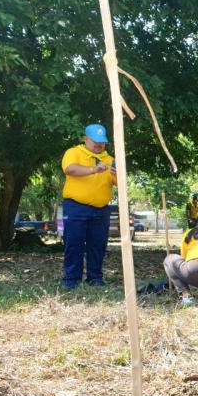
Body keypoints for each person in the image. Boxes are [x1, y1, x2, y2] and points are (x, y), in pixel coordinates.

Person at [60, 123, 117, 289]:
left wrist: (119, 176)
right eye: (95, 141)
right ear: (86, 139)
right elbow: (70, 169)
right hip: (76, 207)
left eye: (102, 142)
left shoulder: (110, 160)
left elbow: (119, 184)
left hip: (101, 209)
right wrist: (93, 169)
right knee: (73, 243)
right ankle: (71, 279)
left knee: (98, 245)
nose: (99, 145)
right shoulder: (73, 152)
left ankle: (95, 278)